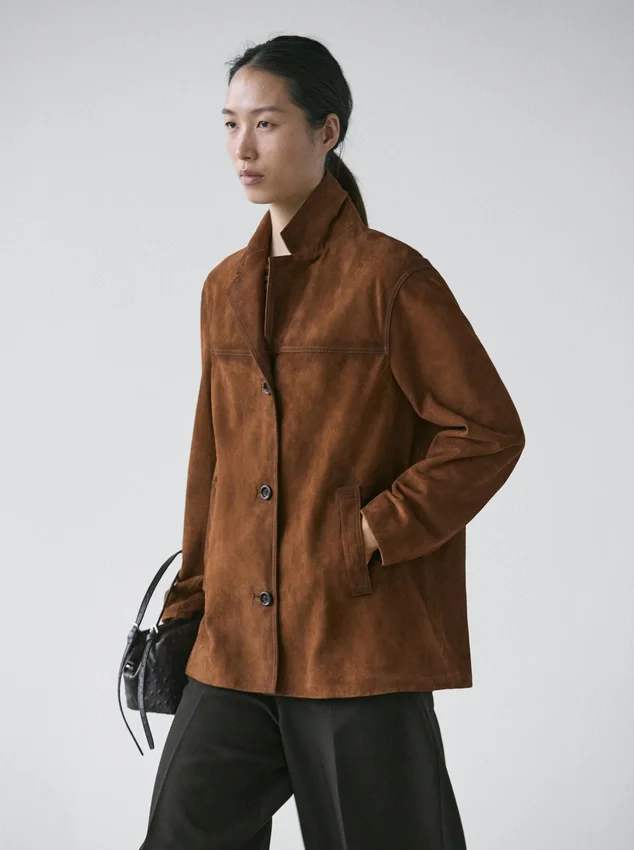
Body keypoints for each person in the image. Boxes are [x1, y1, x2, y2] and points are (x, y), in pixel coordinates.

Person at [138, 34, 525, 850]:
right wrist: (191, 600)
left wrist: (371, 532)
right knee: (181, 834)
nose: (243, 147)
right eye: (231, 123)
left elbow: (487, 432)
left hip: (351, 641)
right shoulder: (224, 288)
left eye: (267, 123)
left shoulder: (391, 279)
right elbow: (213, 464)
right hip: (234, 644)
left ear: (327, 131)